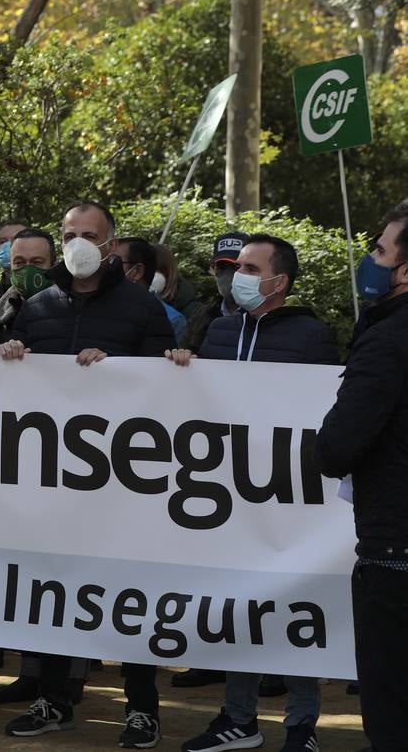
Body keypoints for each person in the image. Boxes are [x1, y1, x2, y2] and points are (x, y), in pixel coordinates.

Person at [0, 200, 174, 748]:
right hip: (54, 482)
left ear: (109, 243)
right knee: (54, 588)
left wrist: (118, 371)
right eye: (69, 231)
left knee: (131, 592)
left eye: (88, 234)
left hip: (123, 481)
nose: (77, 241)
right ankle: (53, 698)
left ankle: (141, 706)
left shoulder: (143, 308)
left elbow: (165, 391)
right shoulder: (38, 306)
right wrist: (10, 352)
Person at [168, 234, 336, 752]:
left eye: (248, 266)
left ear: (278, 281)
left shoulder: (312, 335)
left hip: (288, 496)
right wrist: (178, 367)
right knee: (241, 609)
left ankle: (301, 725)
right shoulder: (218, 330)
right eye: (235, 265)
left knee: (296, 608)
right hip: (227, 495)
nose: (235, 273)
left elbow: (325, 407)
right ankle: (238, 718)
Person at [315, 202, 408, 752]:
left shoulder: (388, 338)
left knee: (393, 705)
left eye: (379, 251)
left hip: (395, 551)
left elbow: (339, 444)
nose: (368, 261)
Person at [116, 237, 188, 345]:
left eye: (114, 261)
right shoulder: (96, 306)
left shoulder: (172, 320)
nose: (106, 268)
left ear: (137, 271)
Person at [184, 232, 248, 353]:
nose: (228, 275)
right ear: (213, 269)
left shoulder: (265, 318)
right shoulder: (201, 316)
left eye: (236, 267)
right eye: (221, 268)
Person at [0, 228, 57, 336]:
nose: (27, 270)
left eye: (37, 262)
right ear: (11, 266)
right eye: (19, 262)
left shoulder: (71, 310)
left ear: (53, 265)